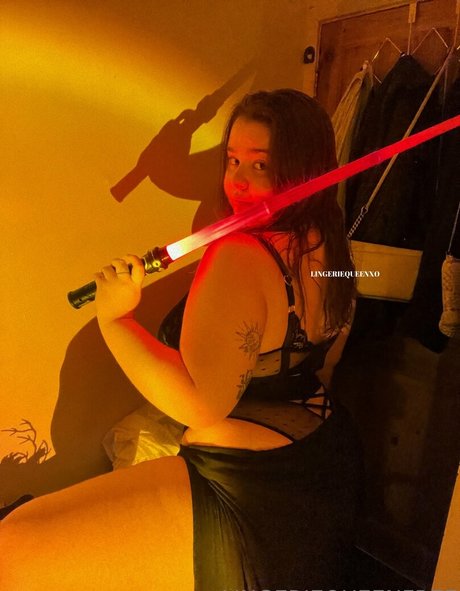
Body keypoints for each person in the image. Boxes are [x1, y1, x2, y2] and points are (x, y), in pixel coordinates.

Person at [0, 89, 363, 590]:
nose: (238, 181)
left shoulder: (238, 256)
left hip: (244, 494)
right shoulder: (328, 238)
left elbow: (200, 404)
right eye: (232, 160)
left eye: (261, 165)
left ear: (301, 169)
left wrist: (116, 320)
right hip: (325, 458)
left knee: (11, 546)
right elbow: (327, 355)